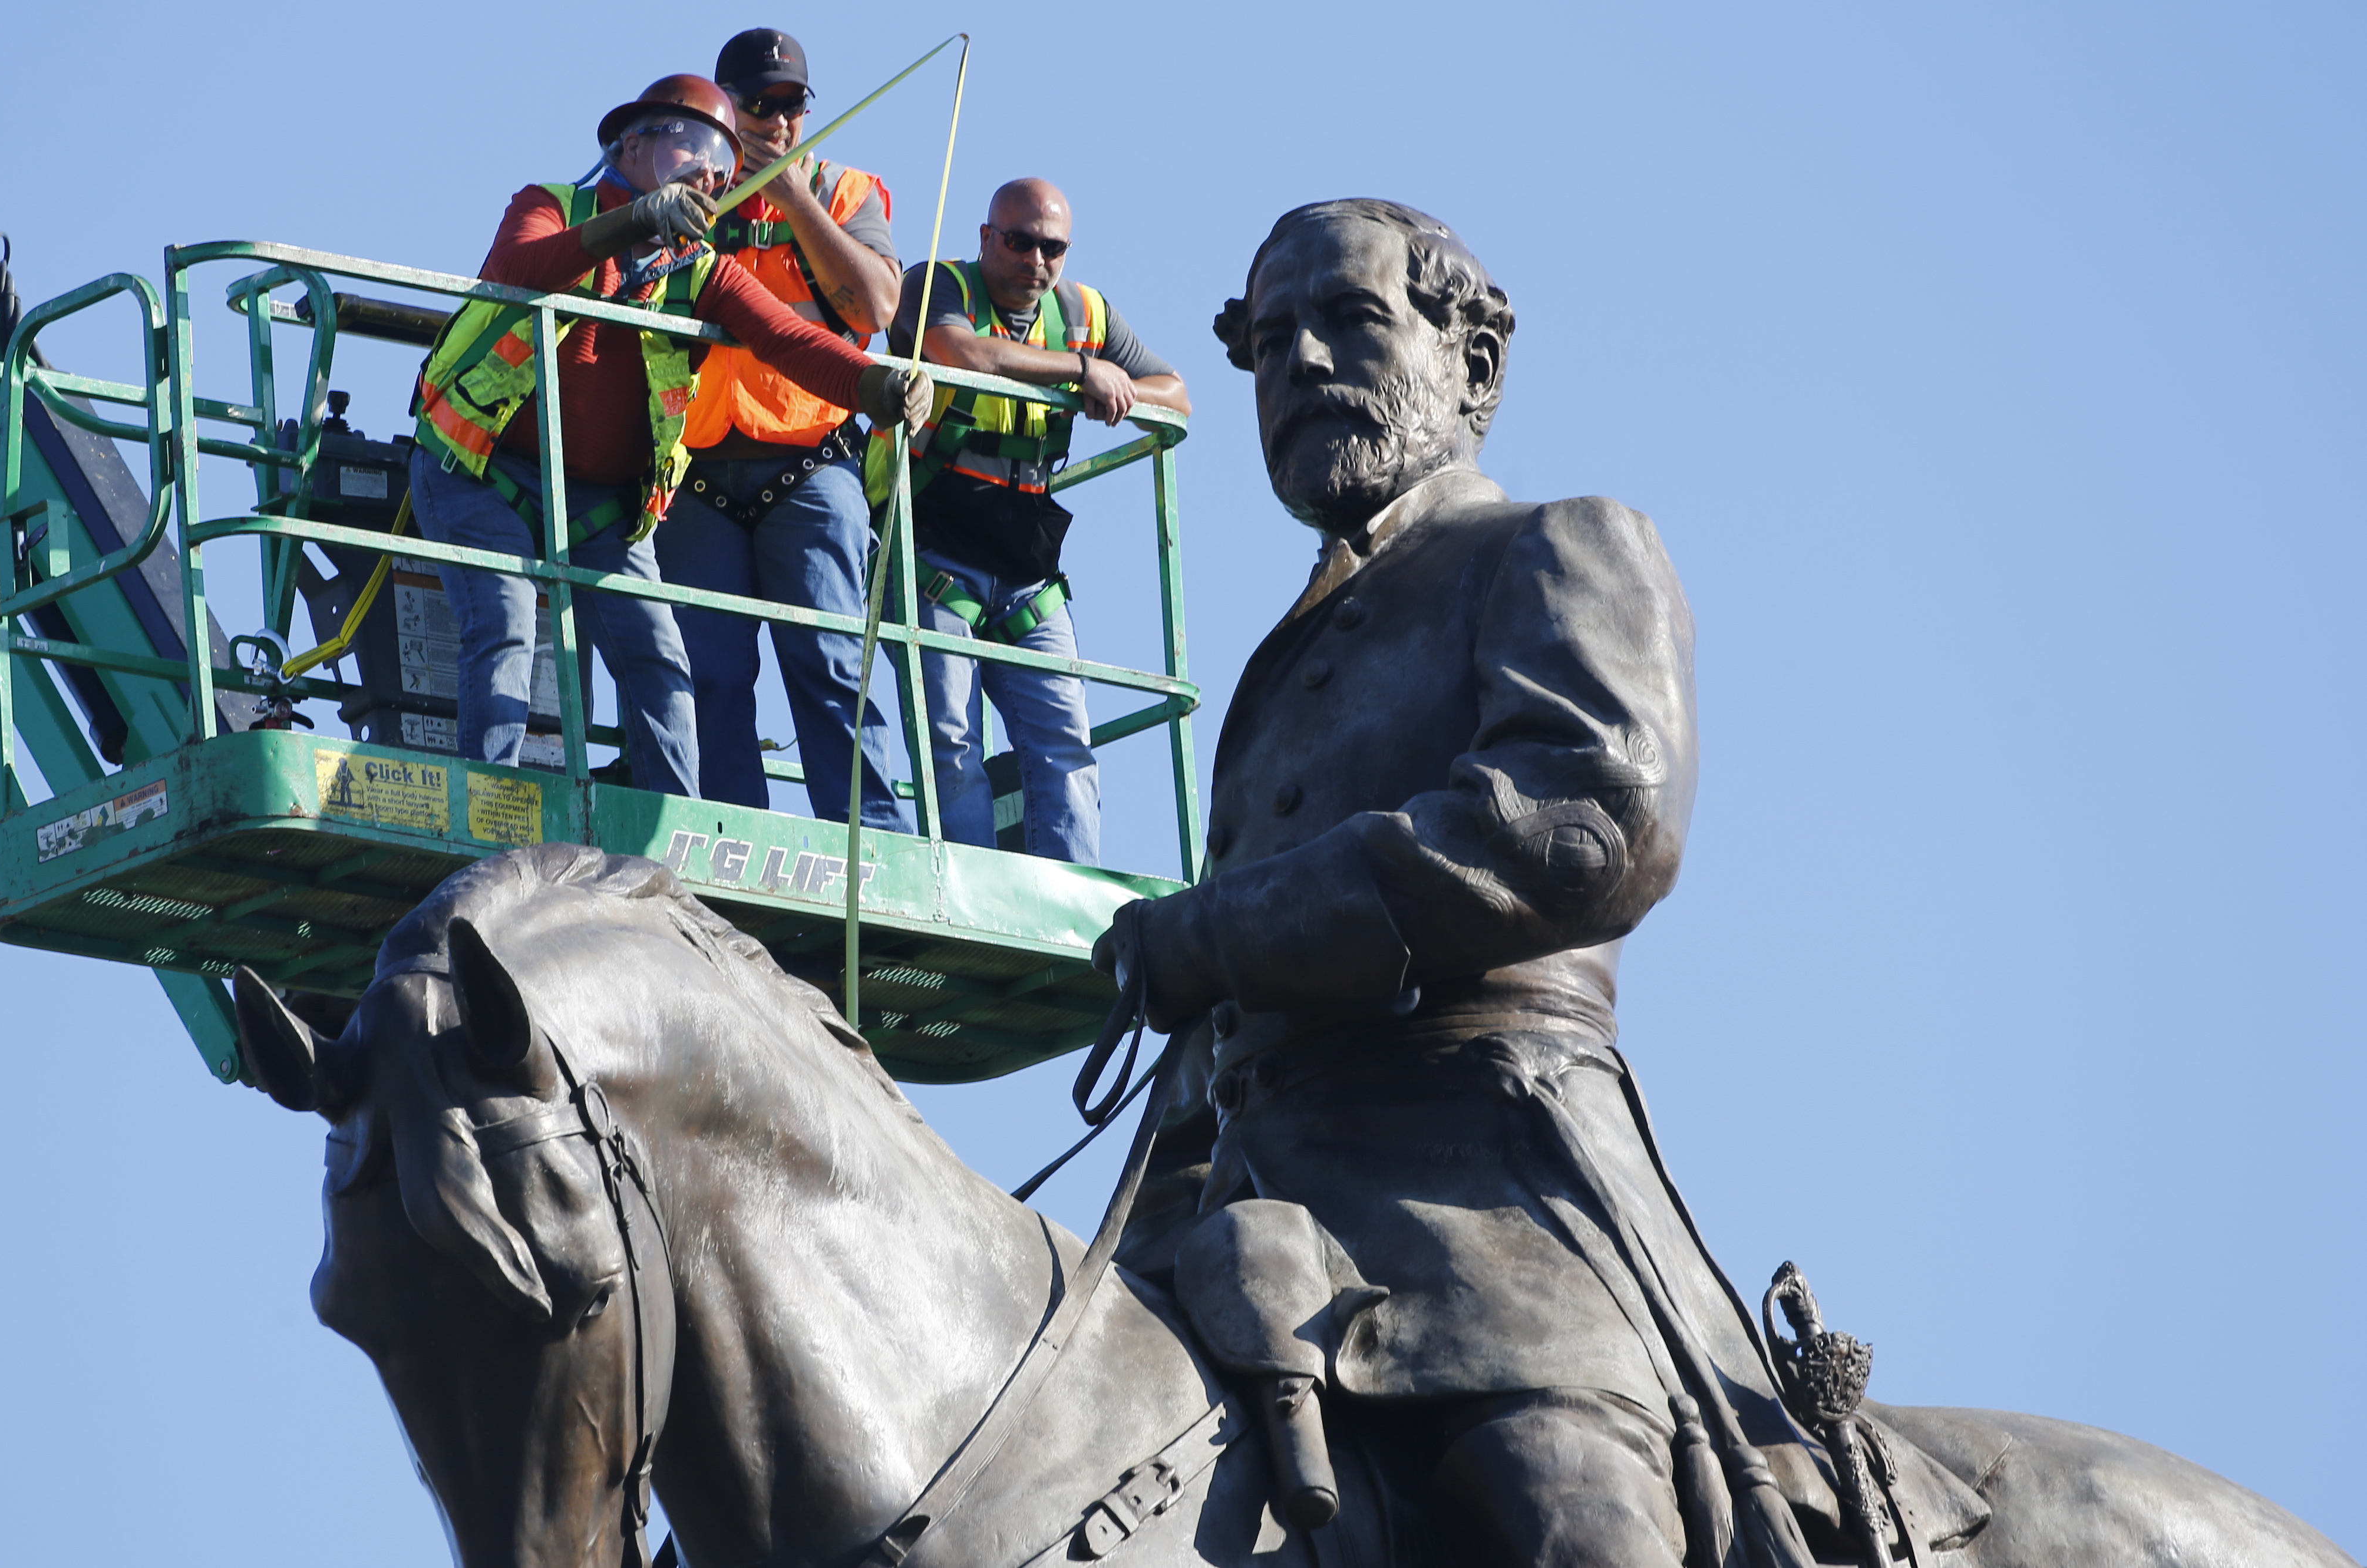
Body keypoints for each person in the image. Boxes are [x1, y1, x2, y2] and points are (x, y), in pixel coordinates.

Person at [1094, 201, 1858, 1564]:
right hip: (1252, 1226)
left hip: (1489, 1196)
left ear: (1474, 366)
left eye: (1348, 320)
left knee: (1556, 1514)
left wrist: (1215, 933)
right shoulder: (1281, 660)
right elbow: (1225, 1035)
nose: (1302, 365)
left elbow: (1587, 815)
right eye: (1269, 343)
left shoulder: (1554, 545)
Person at [406, 74, 929, 781]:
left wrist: (879, 385)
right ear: (629, 144)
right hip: (479, 473)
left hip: (599, 504)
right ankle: (487, 826)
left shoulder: (696, 268)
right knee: (505, 628)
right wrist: (631, 221)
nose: (711, 167)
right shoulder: (549, 208)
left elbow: (787, 339)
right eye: (691, 141)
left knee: (661, 663)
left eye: (720, 154)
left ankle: (669, 858)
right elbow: (521, 271)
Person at [886, 178, 1188, 863]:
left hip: (1027, 567)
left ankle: (1073, 900)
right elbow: (960, 354)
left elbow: (1177, 396)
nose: (1036, 261)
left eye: (1052, 248)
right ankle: (959, 891)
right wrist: (1083, 371)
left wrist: (1114, 383)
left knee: (1065, 740)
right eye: (1019, 242)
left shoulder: (1084, 310)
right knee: (950, 739)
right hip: (937, 549)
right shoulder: (939, 284)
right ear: (988, 237)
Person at [656, 28, 912, 827]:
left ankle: (871, 847)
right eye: (754, 103)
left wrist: (791, 193)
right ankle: (726, 839)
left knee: (832, 662)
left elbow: (876, 307)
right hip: (694, 471)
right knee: (710, 673)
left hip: (810, 465)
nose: (774, 118)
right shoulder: (680, 188)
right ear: (721, 106)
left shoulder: (843, 191)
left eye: (789, 103)